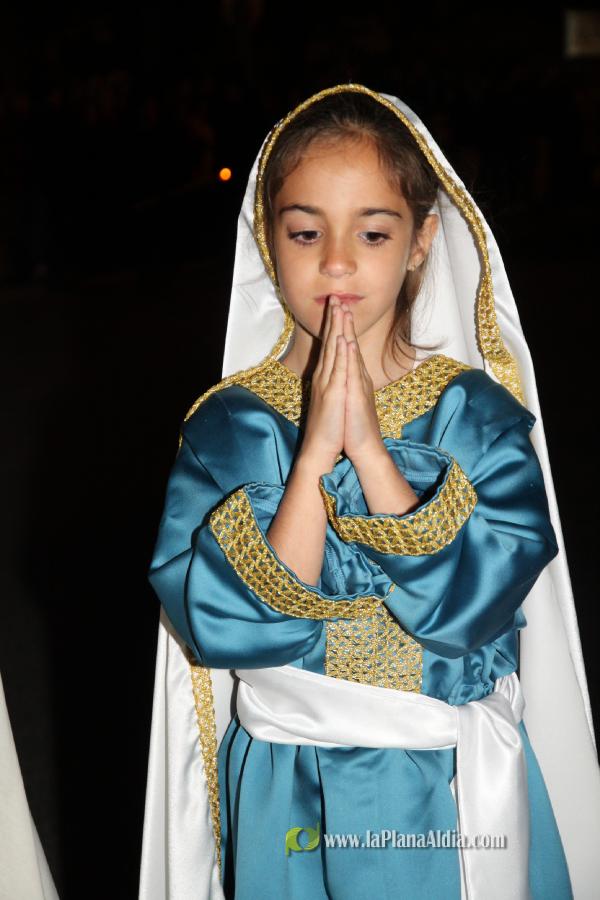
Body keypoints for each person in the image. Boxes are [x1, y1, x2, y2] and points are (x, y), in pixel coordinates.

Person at [138, 84, 600, 900]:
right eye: (306, 231)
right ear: (268, 239)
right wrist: (316, 452)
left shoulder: (475, 416)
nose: (338, 262)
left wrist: (373, 458)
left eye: (373, 231)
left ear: (422, 241)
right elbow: (223, 623)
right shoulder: (230, 427)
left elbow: (477, 606)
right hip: (290, 791)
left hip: (443, 793)